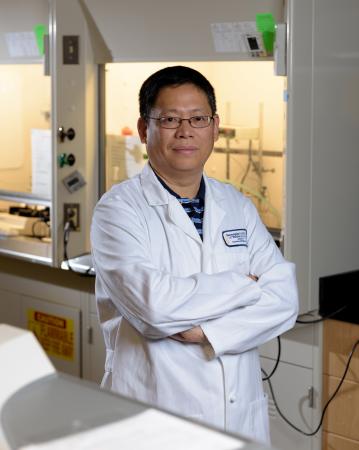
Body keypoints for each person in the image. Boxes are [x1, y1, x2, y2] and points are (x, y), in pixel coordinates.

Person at [91, 65, 298, 444]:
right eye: (169, 119)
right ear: (144, 129)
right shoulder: (118, 210)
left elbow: (284, 299)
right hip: (156, 413)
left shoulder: (236, 205)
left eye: (198, 119)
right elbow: (155, 306)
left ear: (215, 127)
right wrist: (245, 285)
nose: (185, 131)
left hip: (238, 415)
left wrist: (208, 331)